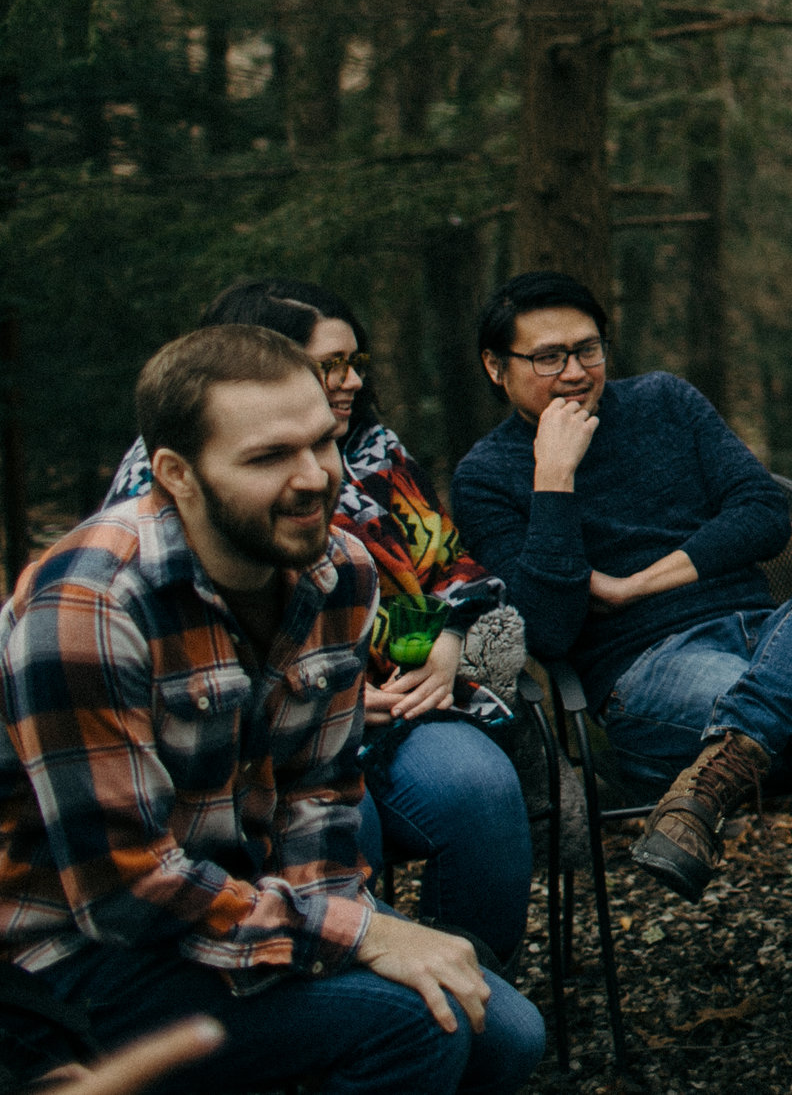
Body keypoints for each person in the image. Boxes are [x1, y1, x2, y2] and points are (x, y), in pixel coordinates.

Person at [1, 325, 544, 1095]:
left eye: (321, 444)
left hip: (233, 903)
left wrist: (348, 931)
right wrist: (362, 934)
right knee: (420, 1027)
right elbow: (125, 894)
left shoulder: (339, 570)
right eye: (267, 457)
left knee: (504, 1031)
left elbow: (319, 793)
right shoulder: (87, 606)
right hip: (71, 955)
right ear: (176, 474)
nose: (314, 478)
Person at [453, 271, 792, 1095]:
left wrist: (638, 582)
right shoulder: (490, 473)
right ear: (497, 368)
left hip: (765, 632)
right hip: (649, 674)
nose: (575, 372)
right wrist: (555, 477)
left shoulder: (666, 402)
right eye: (549, 357)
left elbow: (761, 512)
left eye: (588, 349)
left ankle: (715, 779)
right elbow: (553, 626)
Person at [101, 279, 532, 965]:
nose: (351, 380)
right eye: (329, 364)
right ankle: (343, 992)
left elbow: (457, 569)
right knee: (339, 825)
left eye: (355, 361)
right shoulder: (172, 484)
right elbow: (188, 645)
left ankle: (471, 986)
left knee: (480, 790)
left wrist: (452, 644)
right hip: (266, 731)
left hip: (407, 707)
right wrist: (323, 693)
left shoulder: (377, 452)